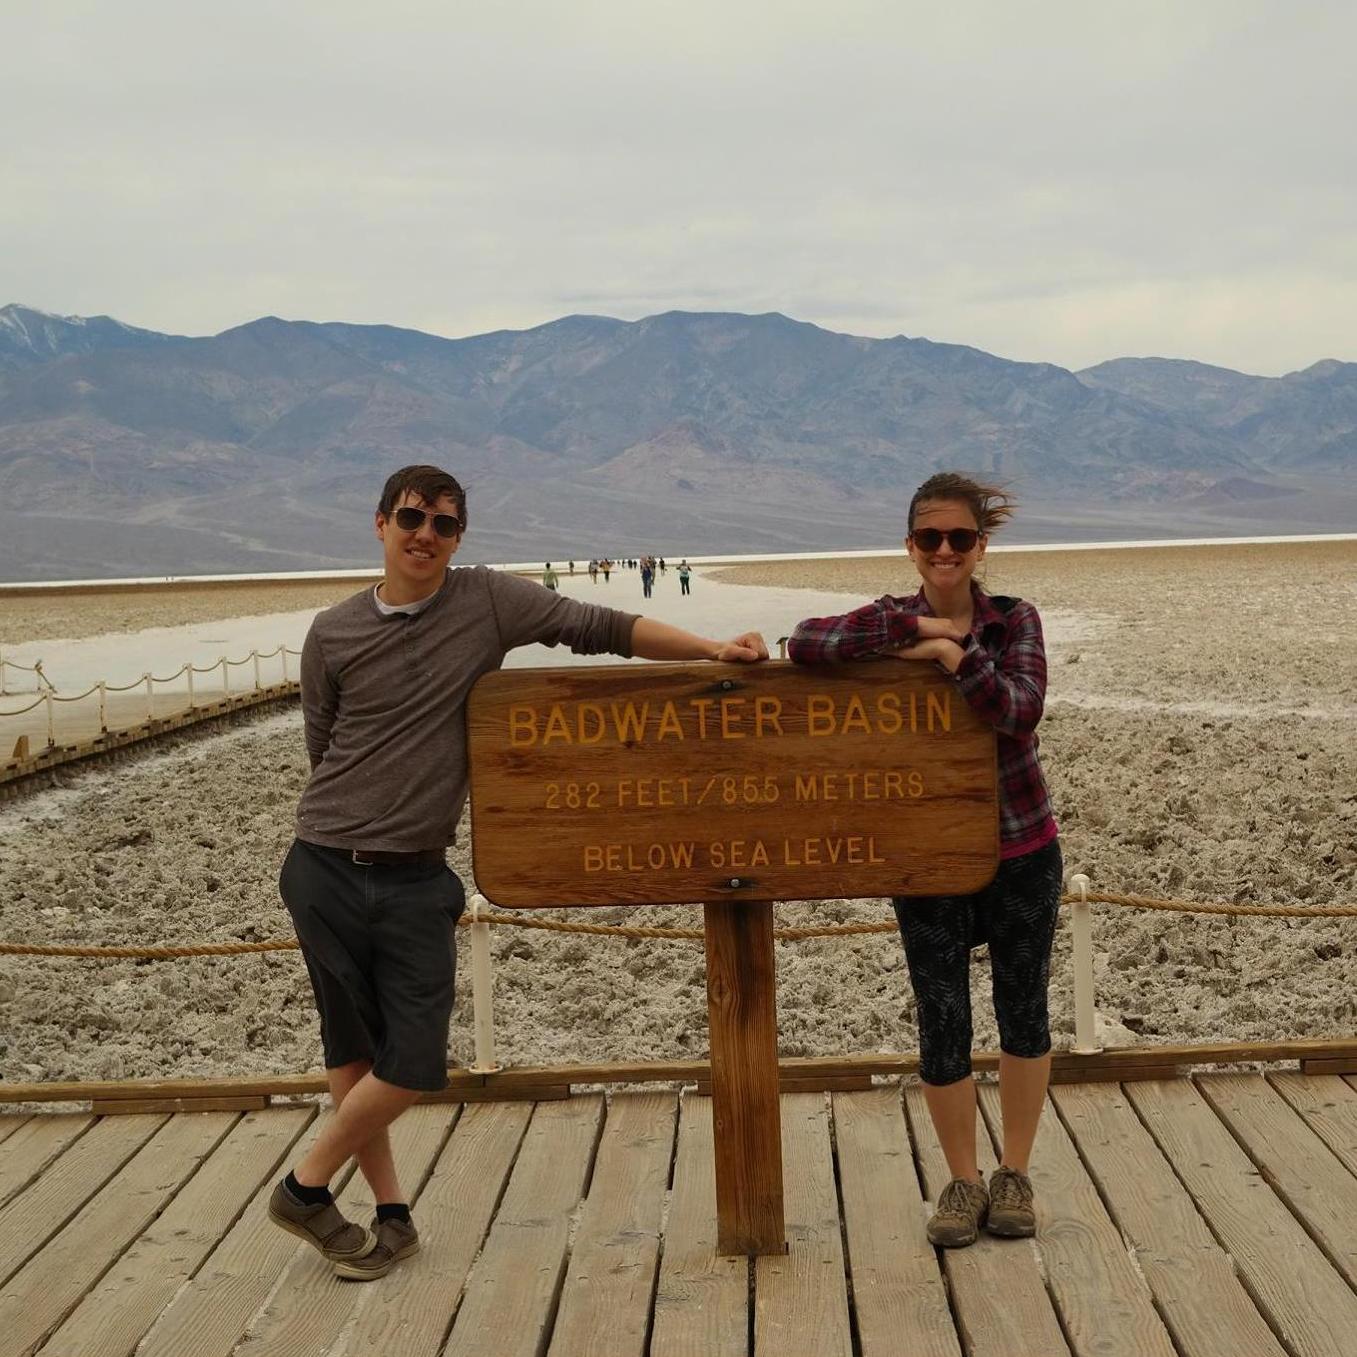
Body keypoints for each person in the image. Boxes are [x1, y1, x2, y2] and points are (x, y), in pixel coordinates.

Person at [270, 464, 768, 1281]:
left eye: (444, 522)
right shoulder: (332, 631)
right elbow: (323, 746)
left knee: (414, 1061)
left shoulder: (486, 600)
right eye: (411, 517)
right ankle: (389, 1213)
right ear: (380, 524)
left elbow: (597, 624)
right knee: (352, 1048)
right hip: (321, 865)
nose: (425, 533)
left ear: (460, 536)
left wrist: (711, 647)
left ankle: (303, 1186)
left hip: (416, 875)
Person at [787, 472, 1059, 1250]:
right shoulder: (889, 620)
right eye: (930, 538)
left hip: (1021, 843)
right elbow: (804, 643)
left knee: (1023, 1010)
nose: (945, 551)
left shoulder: (1014, 622)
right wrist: (913, 634)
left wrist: (951, 654)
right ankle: (963, 1180)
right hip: (927, 853)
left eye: (960, 538)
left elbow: (1018, 709)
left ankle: (1013, 1171)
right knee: (942, 1018)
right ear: (910, 547)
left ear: (980, 547)